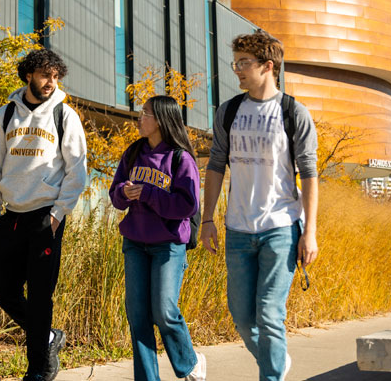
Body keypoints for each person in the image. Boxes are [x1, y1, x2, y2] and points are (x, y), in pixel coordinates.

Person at [199, 30, 319, 381]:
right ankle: (277, 363)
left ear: (268, 66)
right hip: (238, 228)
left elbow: (310, 175)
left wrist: (309, 232)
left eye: (244, 63)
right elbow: (216, 166)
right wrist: (207, 219)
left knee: (268, 313)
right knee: (241, 316)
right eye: (235, 62)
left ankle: (272, 375)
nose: (237, 69)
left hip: (281, 227)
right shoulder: (229, 111)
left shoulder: (293, 112)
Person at [0, 48, 88, 381]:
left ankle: (37, 369)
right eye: (45, 75)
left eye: (55, 76)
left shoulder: (64, 115)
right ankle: (49, 337)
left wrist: (57, 214)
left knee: (41, 297)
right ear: (28, 74)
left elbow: (77, 170)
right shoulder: (5, 115)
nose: (50, 83)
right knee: (5, 292)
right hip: (9, 217)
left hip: (45, 217)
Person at [109, 95, 206, 381]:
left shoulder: (180, 157)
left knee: (164, 310)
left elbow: (187, 205)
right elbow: (116, 196)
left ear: (162, 119)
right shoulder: (133, 153)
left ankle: (190, 364)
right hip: (135, 244)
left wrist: (148, 194)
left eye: (146, 113)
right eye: (141, 112)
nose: (140, 118)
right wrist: (123, 194)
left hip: (168, 245)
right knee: (138, 317)